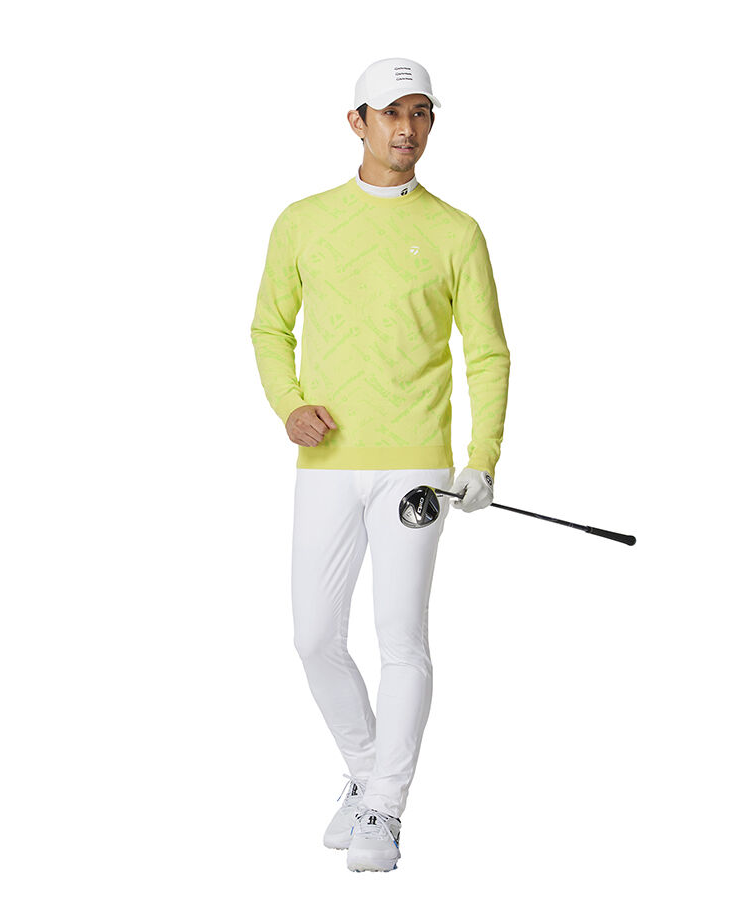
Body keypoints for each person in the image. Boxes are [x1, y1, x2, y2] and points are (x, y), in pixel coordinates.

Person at [250, 57, 510, 872]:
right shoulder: (303, 221)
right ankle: (368, 775)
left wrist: (482, 457)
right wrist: (289, 404)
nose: (407, 128)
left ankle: (385, 808)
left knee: (401, 639)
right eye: (391, 112)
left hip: (416, 470)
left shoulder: (457, 232)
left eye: (422, 112)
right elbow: (268, 328)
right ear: (356, 121)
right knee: (312, 637)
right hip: (326, 461)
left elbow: (488, 354)